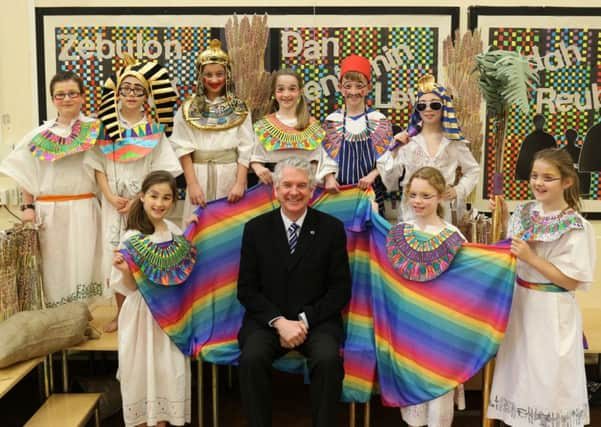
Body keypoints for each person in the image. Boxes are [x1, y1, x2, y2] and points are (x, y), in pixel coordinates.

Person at [237, 157, 352, 427]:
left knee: (327, 361)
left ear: (312, 190)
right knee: (251, 359)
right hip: (267, 322)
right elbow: (247, 290)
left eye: (302, 185)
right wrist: (279, 322)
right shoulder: (255, 229)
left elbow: (340, 289)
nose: (294, 192)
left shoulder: (332, 229)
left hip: (317, 322)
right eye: (287, 185)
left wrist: (302, 322)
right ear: (275, 189)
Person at [487, 148, 596, 427]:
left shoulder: (576, 226)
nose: (538, 182)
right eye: (535, 176)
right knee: (520, 377)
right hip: (521, 306)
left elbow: (571, 280)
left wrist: (531, 258)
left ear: (567, 182)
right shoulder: (523, 212)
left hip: (551, 311)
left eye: (548, 177)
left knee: (547, 381)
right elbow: (510, 252)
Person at [86, 56, 182, 332]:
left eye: (138, 90)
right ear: (118, 92)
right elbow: (97, 167)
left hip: (143, 203)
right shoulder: (104, 126)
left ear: (147, 96)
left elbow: (165, 171)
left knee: (141, 254)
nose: (131, 95)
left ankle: (145, 310)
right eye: (126, 88)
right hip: (113, 203)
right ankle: (120, 313)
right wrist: (110, 196)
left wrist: (142, 197)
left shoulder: (154, 130)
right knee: (116, 255)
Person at [0, 71, 103, 307]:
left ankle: (82, 319)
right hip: (49, 210)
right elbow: (25, 170)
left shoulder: (96, 130)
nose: (66, 99)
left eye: (72, 93)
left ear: (83, 96)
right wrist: (27, 207)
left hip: (84, 207)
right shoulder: (38, 135)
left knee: (84, 264)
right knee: (54, 267)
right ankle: (58, 322)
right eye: (60, 95)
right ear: (53, 99)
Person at [112, 170, 193, 427]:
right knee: (141, 377)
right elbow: (129, 289)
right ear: (142, 197)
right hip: (141, 318)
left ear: (173, 201)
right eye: (154, 196)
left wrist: (193, 229)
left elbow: (181, 272)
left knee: (167, 376)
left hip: (169, 317)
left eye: (166, 198)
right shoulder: (132, 237)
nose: (160, 203)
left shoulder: (173, 230)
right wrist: (126, 272)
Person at [387, 166, 466, 427]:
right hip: (410, 324)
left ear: (441, 196)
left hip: (442, 328)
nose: (418, 201)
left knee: (439, 388)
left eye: (426, 196)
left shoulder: (454, 236)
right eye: (414, 195)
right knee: (414, 389)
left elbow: (463, 284)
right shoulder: (399, 232)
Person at [379, 73, 480, 223]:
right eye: (422, 105)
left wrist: (458, 190)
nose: (428, 109)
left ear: (444, 107)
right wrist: (393, 151)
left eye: (434, 104)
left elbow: (473, 170)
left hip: (443, 211)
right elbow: (389, 181)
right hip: (412, 212)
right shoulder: (408, 141)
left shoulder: (454, 141)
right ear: (417, 109)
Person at [170, 39, 253, 219]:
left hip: (230, 174)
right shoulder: (187, 109)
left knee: (230, 227)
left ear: (227, 74)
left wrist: (240, 182)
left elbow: (246, 147)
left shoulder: (239, 108)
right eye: (208, 74)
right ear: (201, 76)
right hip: (198, 174)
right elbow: (182, 148)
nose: (214, 80)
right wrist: (191, 184)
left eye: (219, 74)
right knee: (197, 225)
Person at [317, 54, 393, 213]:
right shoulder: (332, 121)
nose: (353, 91)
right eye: (348, 86)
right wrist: (329, 177)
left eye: (359, 86)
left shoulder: (379, 120)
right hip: (338, 195)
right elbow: (325, 156)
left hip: (370, 195)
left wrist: (372, 175)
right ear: (340, 87)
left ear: (368, 88)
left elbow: (388, 158)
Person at [250, 68, 325, 185]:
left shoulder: (313, 126)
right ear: (274, 93)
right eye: (281, 89)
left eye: (292, 89)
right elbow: (255, 158)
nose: (286, 94)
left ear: (300, 91)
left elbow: (317, 160)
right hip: (271, 186)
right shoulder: (263, 126)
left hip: (303, 185)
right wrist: (259, 169)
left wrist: (309, 179)